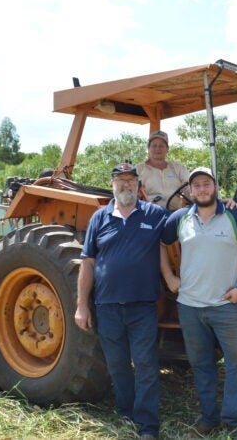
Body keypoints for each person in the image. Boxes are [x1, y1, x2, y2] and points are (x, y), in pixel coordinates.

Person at [160, 166, 237, 438]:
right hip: (190, 306)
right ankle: (208, 419)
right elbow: (161, 244)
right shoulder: (180, 218)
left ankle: (233, 422)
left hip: (225, 306)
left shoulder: (234, 216)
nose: (202, 189)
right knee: (202, 364)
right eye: (196, 185)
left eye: (206, 184)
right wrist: (170, 278)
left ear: (215, 187)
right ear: (190, 190)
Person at [75, 163, 168, 440]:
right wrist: (81, 305)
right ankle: (126, 413)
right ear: (112, 183)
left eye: (130, 180)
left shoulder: (154, 214)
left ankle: (148, 424)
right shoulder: (99, 218)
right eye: (120, 180)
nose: (126, 185)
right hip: (107, 307)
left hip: (142, 306)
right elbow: (87, 263)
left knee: (146, 365)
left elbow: (186, 218)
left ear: (138, 185)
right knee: (117, 365)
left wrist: (223, 204)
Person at [136, 130, 190, 209]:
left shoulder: (178, 168)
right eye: (154, 146)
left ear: (167, 149)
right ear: (148, 149)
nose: (157, 148)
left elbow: (190, 190)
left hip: (174, 214)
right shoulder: (138, 170)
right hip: (148, 214)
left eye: (161, 146)